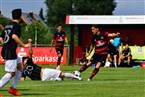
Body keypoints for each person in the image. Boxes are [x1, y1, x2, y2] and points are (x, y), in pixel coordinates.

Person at [0, 9, 30, 96]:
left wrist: (5, 45)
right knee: (11, 73)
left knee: (21, 67)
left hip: (8, 49)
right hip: (10, 51)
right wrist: (23, 45)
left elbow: (1, 38)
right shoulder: (17, 26)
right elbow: (14, 36)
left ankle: (13, 88)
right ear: (20, 16)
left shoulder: (7, 25)